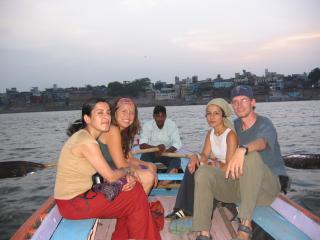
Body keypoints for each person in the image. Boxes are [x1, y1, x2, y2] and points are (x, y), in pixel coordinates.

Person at [54, 98, 160, 240]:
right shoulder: (87, 142)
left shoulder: (87, 137)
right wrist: (127, 172)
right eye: (100, 113)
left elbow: (117, 167)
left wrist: (126, 175)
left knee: (132, 192)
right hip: (73, 203)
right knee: (135, 195)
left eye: (107, 113)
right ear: (87, 118)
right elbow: (111, 175)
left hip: (85, 194)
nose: (106, 117)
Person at [192, 85, 287, 240]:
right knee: (203, 172)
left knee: (251, 156)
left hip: (266, 187)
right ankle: (203, 232)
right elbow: (219, 135)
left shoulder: (265, 123)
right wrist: (199, 157)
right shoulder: (234, 125)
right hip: (241, 187)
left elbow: (262, 142)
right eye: (235, 102)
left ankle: (245, 224)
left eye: (244, 100)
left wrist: (242, 149)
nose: (239, 105)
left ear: (253, 103)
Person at [166, 98, 238, 220]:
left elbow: (229, 166)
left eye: (216, 113)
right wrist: (196, 157)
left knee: (201, 171)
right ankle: (182, 208)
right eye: (208, 113)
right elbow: (204, 155)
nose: (212, 117)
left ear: (223, 116)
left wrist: (211, 165)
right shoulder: (211, 133)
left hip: (229, 176)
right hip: (216, 169)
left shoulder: (230, 135)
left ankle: (187, 209)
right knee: (192, 166)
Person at [98, 97, 157, 194]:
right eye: (124, 111)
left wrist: (148, 165)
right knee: (148, 177)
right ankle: (135, 206)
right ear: (114, 112)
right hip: (103, 178)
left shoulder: (123, 133)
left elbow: (128, 158)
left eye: (131, 112)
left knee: (149, 168)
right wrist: (145, 171)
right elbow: (122, 165)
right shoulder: (112, 130)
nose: (128, 116)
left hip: (113, 172)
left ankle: (136, 204)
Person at [139, 105, 182, 185]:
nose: (160, 119)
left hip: (167, 152)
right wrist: (157, 148)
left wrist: (165, 151)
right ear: (154, 116)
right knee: (144, 158)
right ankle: (150, 176)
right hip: (151, 152)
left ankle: (167, 178)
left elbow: (177, 143)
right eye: (157, 116)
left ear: (165, 116)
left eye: (162, 116)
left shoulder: (171, 125)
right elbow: (142, 144)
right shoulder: (147, 125)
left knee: (176, 159)